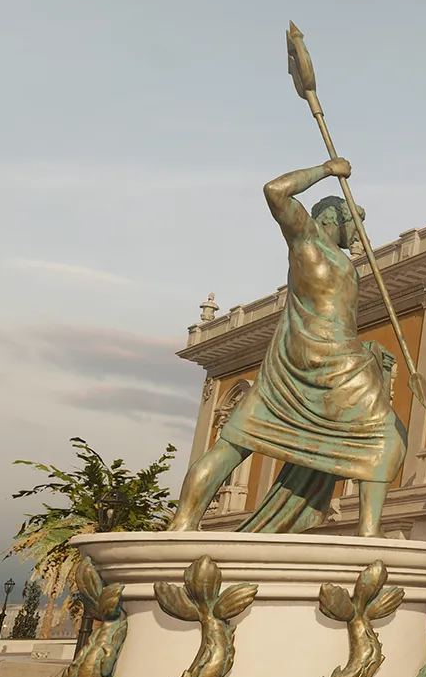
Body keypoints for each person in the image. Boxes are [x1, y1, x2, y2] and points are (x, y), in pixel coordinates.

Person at [169, 158, 405, 538]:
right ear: (333, 218)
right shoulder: (307, 239)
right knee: (387, 437)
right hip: (329, 361)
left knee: (233, 444)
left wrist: (368, 351)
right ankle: (368, 534)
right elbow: (275, 191)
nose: (360, 233)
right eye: (355, 222)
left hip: (315, 360)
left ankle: (184, 523)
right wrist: (326, 170)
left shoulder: (339, 259)